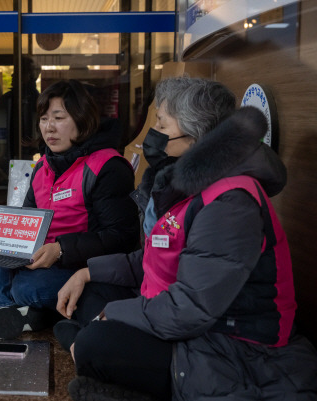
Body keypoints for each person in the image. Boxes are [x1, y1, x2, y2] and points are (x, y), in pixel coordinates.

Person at [54, 76, 317, 401]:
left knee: (97, 343)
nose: (150, 136)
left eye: (161, 123)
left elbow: (190, 310)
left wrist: (114, 313)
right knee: (89, 294)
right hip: (185, 319)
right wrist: (87, 272)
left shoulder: (230, 203)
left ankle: (89, 347)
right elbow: (157, 256)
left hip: (233, 350)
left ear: (194, 138)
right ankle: (90, 344)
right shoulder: (192, 182)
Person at [0, 79, 140, 340]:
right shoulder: (42, 168)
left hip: (85, 267)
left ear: (82, 120)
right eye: (44, 118)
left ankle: (24, 312)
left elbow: (122, 237)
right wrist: (9, 242)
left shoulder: (107, 167)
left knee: (29, 288)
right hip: (44, 259)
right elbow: (27, 221)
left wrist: (61, 250)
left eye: (58, 117)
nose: (49, 127)